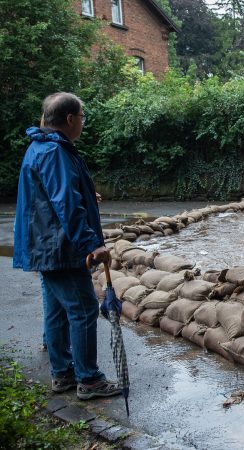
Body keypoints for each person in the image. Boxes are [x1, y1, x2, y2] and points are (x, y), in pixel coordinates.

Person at [13, 92, 121, 400]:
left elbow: (54, 194)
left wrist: (88, 194)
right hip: (60, 246)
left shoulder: (40, 147)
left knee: (58, 309)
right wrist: (92, 245)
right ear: (71, 119)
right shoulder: (55, 152)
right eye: (82, 117)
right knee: (85, 309)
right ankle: (89, 380)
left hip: (45, 244)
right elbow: (65, 204)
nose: (83, 123)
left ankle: (62, 373)